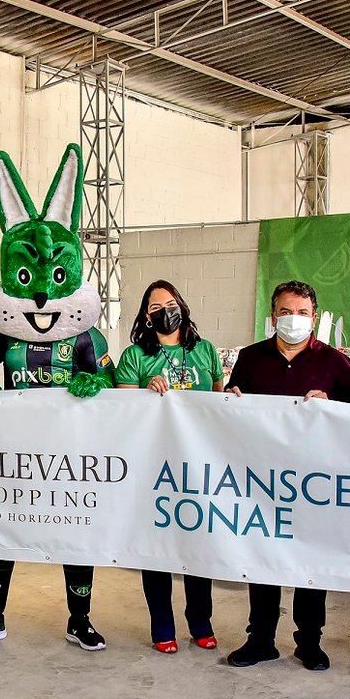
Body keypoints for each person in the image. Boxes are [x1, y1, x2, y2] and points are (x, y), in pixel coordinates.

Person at [0, 144, 114, 652]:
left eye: (53, 278)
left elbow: (108, 382)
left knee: (74, 532)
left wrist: (95, 383)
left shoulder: (84, 335)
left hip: (71, 457)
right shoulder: (6, 331)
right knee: (2, 533)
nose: (42, 294)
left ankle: (80, 618)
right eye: (27, 278)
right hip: (15, 456)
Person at [223, 279, 350, 671]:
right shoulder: (250, 358)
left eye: (302, 313)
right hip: (262, 479)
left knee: (309, 563)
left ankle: (309, 642)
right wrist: (230, 401)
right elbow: (232, 410)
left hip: (313, 482)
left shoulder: (336, 364)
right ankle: (261, 639)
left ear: (314, 318)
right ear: (272, 317)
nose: (294, 320)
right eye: (286, 312)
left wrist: (331, 405)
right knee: (263, 557)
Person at [114, 280, 223, 654]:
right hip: (154, 467)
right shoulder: (135, 357)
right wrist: (147, 394)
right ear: (146, 315)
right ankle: (162, 623)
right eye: (156, 307)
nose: (165, 311)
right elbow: (125, 415)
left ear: (182, 306)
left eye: (171, 303)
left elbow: (220, 403)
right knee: (156, 545)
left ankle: (201, 621)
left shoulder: (206, 351)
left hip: (198, 466)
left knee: (199, 544)